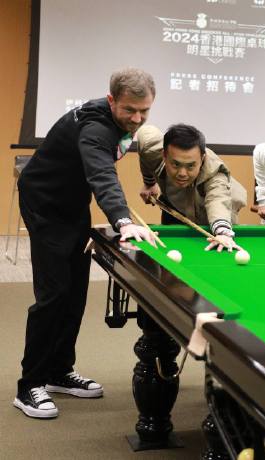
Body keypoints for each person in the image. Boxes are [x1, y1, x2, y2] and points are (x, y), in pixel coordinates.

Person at [14, 68, 157, 418]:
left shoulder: (121, 121)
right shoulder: (96, 128)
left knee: (75, 289)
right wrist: (123, 220)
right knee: (54, 293)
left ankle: (59, 371)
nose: (137, 118)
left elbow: (138, 146)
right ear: (111, 100)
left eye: (144, 111)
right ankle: (29, 385)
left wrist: (149, 179)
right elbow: (102, 174)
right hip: (45, 203)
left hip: (72, 204)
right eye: (129, 110)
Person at [137, 123, 247, 251]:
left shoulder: (214, 173)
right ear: (164, 156)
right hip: (174, 204)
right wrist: (149, 183)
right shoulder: (151, 146)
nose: (182, 173)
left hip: (209, 213)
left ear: (202, 159)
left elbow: (217, 199)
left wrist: (222, 232)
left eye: (190, 166)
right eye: (176, 164)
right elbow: (144, 135)